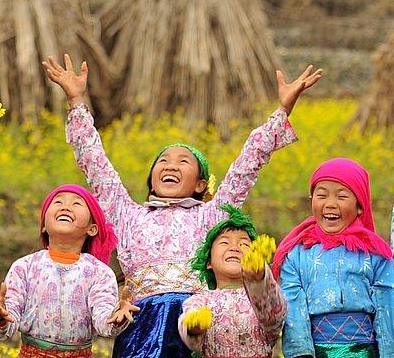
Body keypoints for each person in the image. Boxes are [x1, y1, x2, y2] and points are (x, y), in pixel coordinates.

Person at [42, 54, 322, 358]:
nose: (170, 165)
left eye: (183, 161)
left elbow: (247, 164)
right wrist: (76, 101)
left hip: (195, 323)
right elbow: (96, 165)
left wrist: (282, 111)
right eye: (163, 160)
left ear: (201, 184)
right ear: (151, 179)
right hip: (140, 329)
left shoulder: (211, 215)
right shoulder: (127, 214)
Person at [0, 184, 139, 357]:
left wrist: (118, 316)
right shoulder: (25, 267)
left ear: (92, 228)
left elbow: (104, 322)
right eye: (58, 202)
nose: (65, 206)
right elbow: (8, 321)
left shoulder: (99, 273)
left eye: (76, 204)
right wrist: (0, 315)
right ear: (43, 224)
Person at [272, 158, 394, 358]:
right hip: (317, 351)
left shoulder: (376, 254)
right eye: (321, 195)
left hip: (364, 352)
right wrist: (300, 354)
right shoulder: (297, 253)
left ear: (360, 206)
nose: (330, 204)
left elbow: (387, 304)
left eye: (342, 196)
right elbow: (293, 303)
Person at [178, 204, 287, 357]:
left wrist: (258, 279)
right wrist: (194, 327)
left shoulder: (265, 291)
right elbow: (189, 335)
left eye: (244, 244)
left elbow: (275, 317)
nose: (235, 247)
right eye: (224, 242)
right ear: (209, 262)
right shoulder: (199, 301)